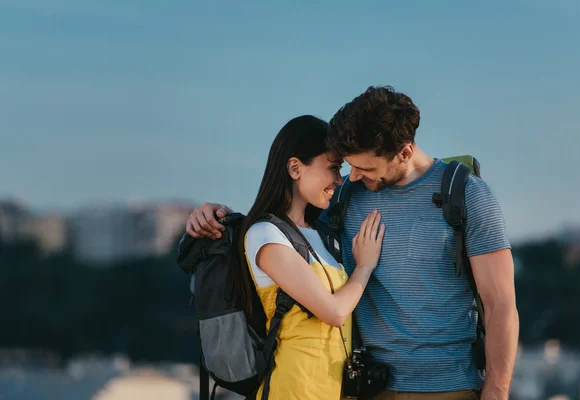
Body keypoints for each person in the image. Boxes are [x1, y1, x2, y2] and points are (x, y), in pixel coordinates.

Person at [188, 86, 519, 400]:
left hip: (450, 389)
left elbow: (500, 304)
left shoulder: (466, 196)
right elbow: (283, 222)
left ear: (404, 152)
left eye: (364, 168)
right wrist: (214, 214)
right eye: (348, 167)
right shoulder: (345, 196)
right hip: (365, 389)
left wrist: (496, 391)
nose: (354, 176)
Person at [227, 115, 385, 399]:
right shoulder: (265, 235)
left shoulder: (322, 233)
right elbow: (334, 312)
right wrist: (364, 266)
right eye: (333, 168)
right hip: (294, 389)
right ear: (295, 168)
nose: (339, 179)